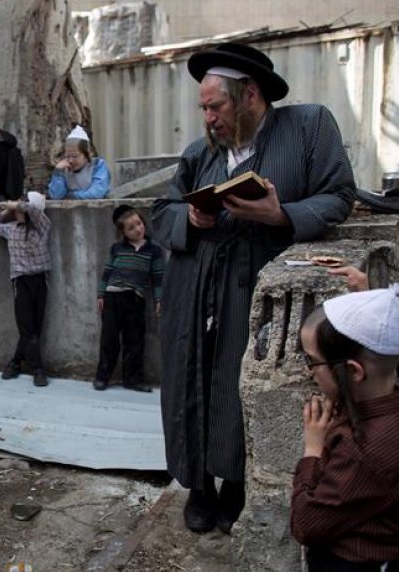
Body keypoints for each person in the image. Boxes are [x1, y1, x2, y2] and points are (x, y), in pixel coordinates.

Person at [152, 42, 355, 534]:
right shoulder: (200, 153)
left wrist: (281, 214)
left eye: (215, 106)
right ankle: (198, 487)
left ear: (249, 96)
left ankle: (236, 487)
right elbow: (162, 212)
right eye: (203, 108)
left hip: (253, 286)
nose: (208, 118)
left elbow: (340, 195)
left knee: (237, 384)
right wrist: (194, 216)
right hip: (196, 288)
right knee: (191, 383)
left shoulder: (307, 127)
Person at [292, 286, 399, 572]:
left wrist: (313, 451)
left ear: (354, 371)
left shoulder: (364, 453)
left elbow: (306, 525)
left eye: (312, 362)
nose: (310, 374)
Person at [94, 205, 165, 393]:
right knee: (109, 340)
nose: (138, 229)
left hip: (136, 299)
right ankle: (102, 377)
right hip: (113, 297)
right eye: (131, 227)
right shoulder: (117, 249)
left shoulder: (154, 251)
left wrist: (160, 299)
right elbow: (107, 273)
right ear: (123, 232)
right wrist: (101, 294)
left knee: (135, 341)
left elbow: (158, 278)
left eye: (139, 224)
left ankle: (132, 379)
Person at [0, 192, 52, 387]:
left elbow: (32, 209)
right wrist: (6, 210)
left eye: (20, 207)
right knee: (27, 327)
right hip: (20, 281)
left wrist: (17, 204)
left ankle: (15, 362)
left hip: (40, 280)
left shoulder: (42, 227)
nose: (17, 210)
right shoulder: (11, 229)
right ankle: (38, 369)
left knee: (35, 328)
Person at [48, 125, 111, 200]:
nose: (70, 160)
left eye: (75, 156)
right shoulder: (65, 168)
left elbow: (96, 193)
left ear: (86, 154)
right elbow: (56, 196)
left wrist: (72, 195)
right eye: (68, 156)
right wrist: (58, 171)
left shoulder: (97, 166)